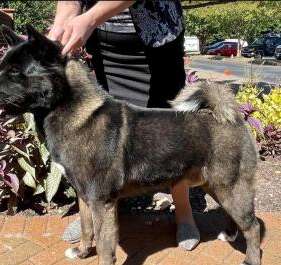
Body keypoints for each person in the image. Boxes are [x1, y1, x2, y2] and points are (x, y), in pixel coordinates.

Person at [48, 0, 200, 251]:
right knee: (102, 134)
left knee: (171, 130)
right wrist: (60, 26)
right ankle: (92, 216)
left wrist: (91, 17)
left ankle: (184, 213)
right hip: (107, 42)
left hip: (158, 36)